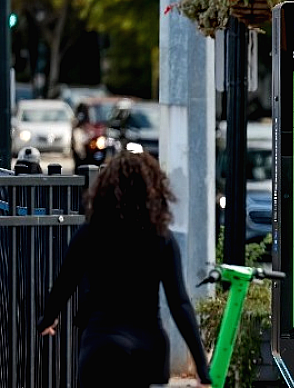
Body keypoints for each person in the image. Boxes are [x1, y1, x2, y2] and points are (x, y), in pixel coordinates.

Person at [37, 151, 212, 388]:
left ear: (105, 190)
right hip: (149, 349)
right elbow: (179, 303)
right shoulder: (162, 239)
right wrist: (202, 368)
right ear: (154, 192)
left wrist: (47, 319)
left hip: (102, 345)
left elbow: (65, 282)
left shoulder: (90, 233)